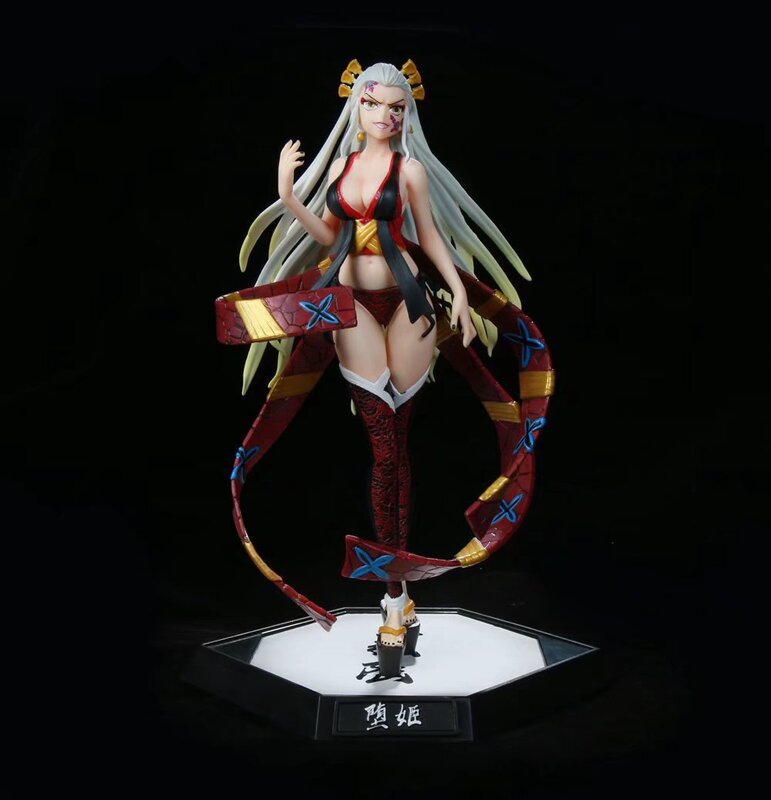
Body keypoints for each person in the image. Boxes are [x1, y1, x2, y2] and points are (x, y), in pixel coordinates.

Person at [217, 59, 554, 677]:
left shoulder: (411, 171)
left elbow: (432, 239)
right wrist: (288, 195)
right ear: (357, 107)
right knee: (382, 447)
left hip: (409, 304)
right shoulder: (342, 169)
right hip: (351, 307)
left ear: (407, 114)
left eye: (396, 107)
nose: (385, 115)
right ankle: (396, 594)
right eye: (374, 104)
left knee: (399, 441)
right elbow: (328, 234)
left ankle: (397, 601)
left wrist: (458, 292)